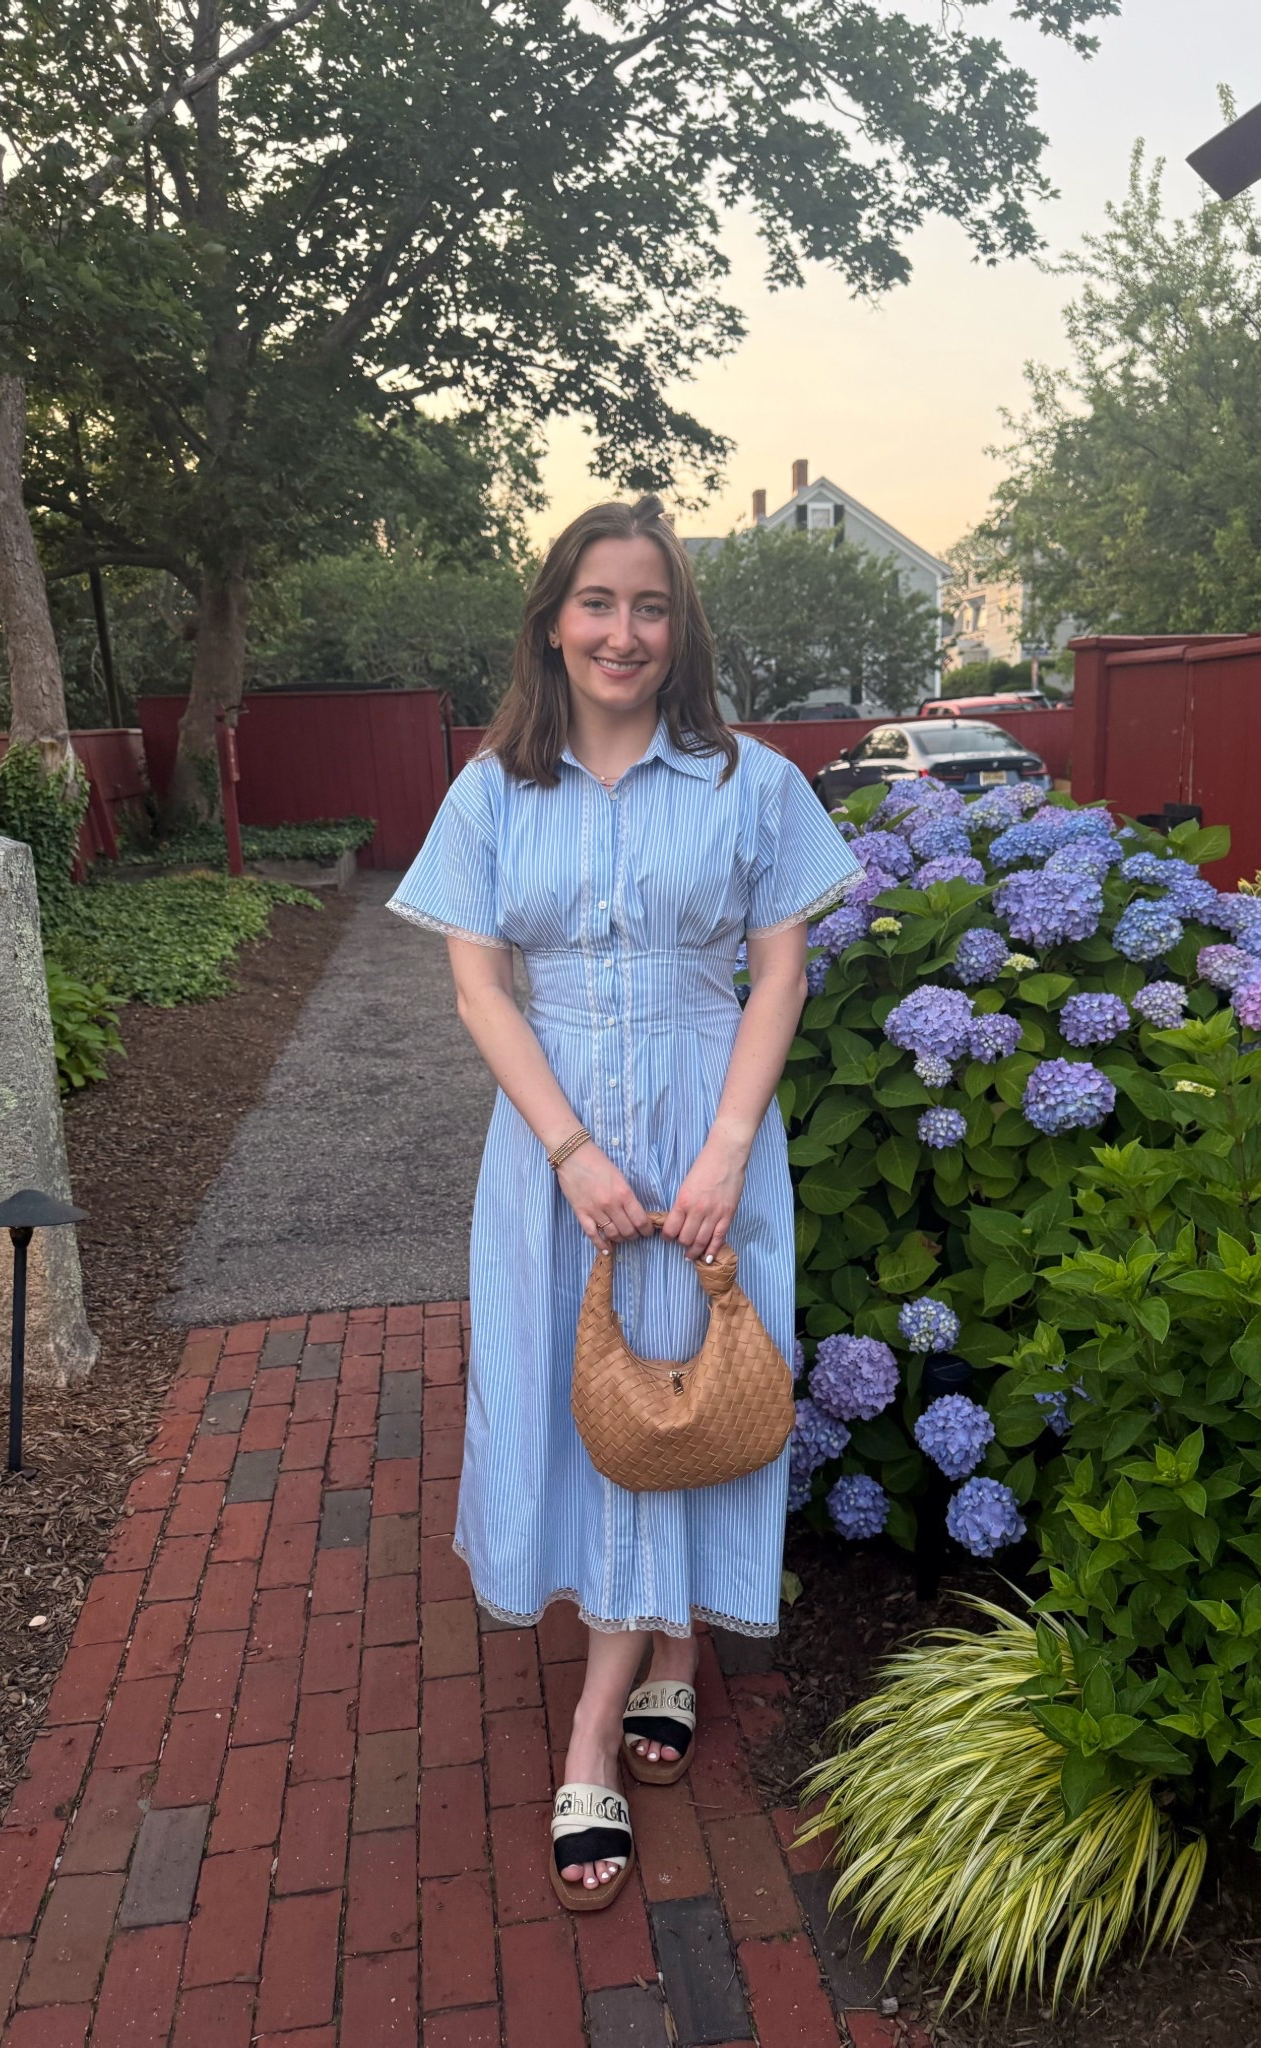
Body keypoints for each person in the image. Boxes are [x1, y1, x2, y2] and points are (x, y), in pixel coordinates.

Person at [386, 493, 862, 1912]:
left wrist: (723, 1148)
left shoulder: (750, 782)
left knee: (693, 1391)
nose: (624, 631)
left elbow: (777, 973)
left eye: (651, 606)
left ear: (680, 629)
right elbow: (479, 984)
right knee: (584, 1396)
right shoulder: (491, 791)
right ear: (553, 620)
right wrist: (572, 1150)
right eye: (598, 602)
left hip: (711, 1138)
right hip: (562, 1152)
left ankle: (602, 1714)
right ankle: (657, 1658)